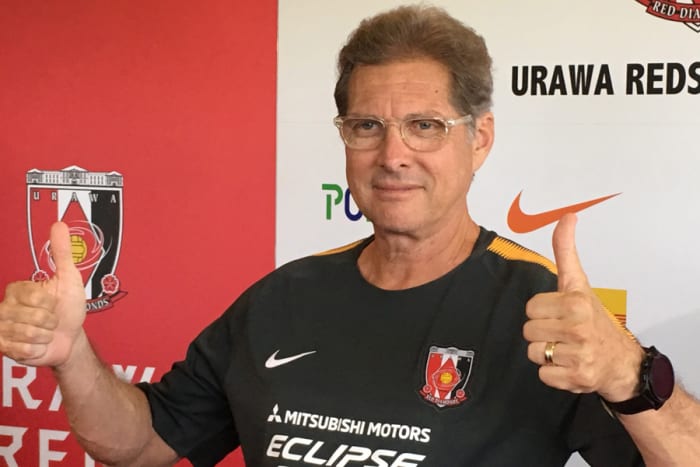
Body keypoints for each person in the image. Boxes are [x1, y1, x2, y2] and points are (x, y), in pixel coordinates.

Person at [1, 4, 699, 467]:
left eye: (425, 126)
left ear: (480, 138)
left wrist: (629, 374)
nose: (393, 154)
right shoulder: (282, 297)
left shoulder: (545, 313)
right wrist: (72, 355)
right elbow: (142, 443)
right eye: (367, 126)